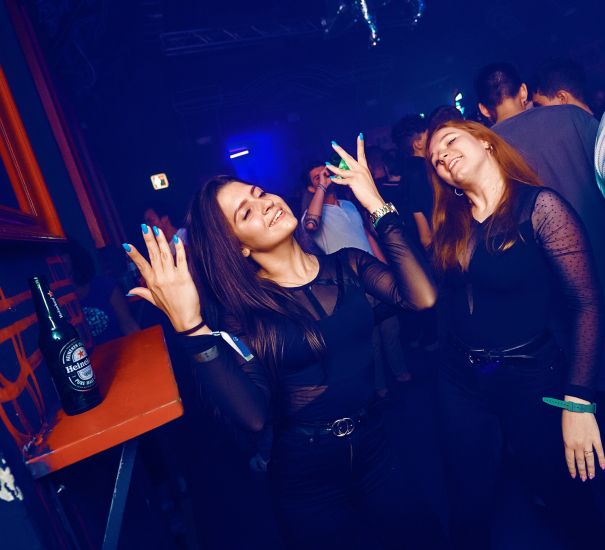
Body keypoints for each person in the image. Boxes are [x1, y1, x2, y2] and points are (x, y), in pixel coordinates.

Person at [122, 136, 443, 549]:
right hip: (307, 476)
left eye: (259, 193)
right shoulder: (242, 315)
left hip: (376, 445)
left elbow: (422, 298)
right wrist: (191, 329)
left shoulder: (347, 264)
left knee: (423, 536)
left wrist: (376, 205)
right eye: (246, 212)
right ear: (238, 246)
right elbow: (254, 417)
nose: (266, 204)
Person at [427, 119, 605, 548]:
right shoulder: (453, 223)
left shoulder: (540, 207)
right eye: (435, 160)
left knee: (565, 493)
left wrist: (579, 402)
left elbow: (586, 304)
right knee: (466, 497)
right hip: (461, 378)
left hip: (531, 376)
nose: (443, 157)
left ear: (485, 142)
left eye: (450, 141)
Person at [391, 115, 433, 249]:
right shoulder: (423, 171)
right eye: (429, 135)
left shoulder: (407, 171)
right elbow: (426, 235)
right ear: (418, 144)